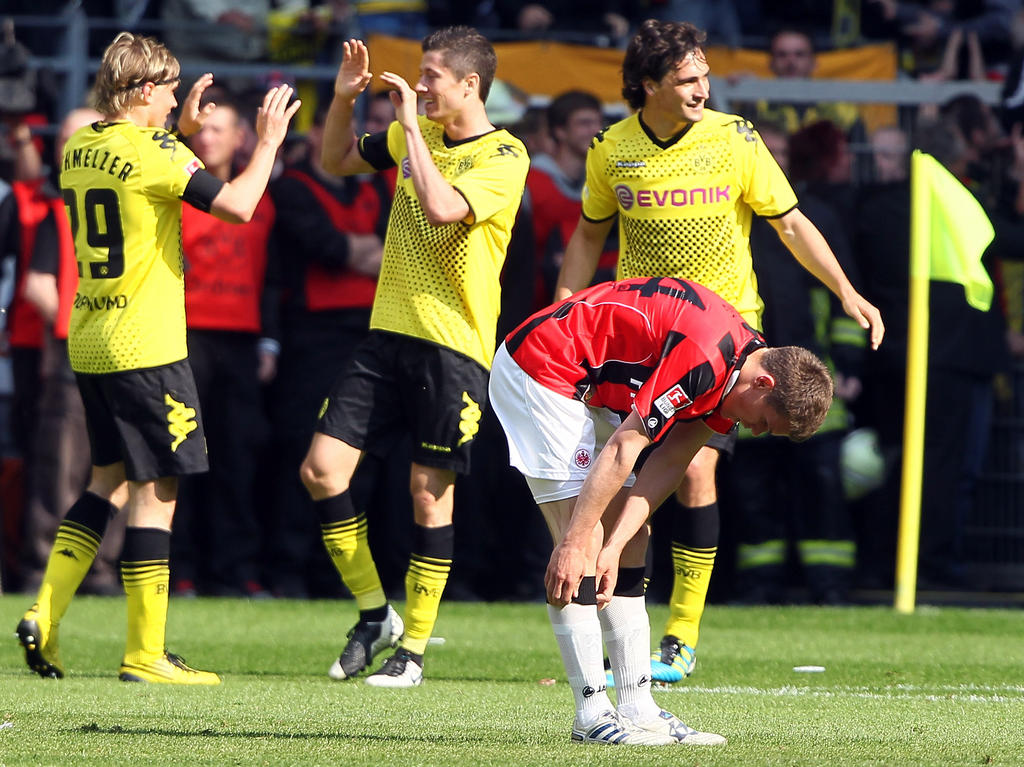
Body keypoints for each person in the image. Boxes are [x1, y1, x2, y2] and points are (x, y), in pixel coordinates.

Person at [555, 19, 883, 684]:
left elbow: (789, 222)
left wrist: (846, 290)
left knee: (694, 471)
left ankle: (681, 638)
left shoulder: (735, 138)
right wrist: (566, 311)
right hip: (643, 338)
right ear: (647, 86)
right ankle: (627, 632)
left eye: (705, 76)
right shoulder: (611, 149)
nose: (703, 89)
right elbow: (590, 237)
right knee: (626, 485)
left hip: (725, 341)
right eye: (687, 79)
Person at [15, 31, 299, 684]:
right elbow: (238, 204)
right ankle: (145, 653)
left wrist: (180, 129)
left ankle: (44, 613)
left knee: (105, 481)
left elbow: (141, 163)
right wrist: (269, 141)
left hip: (89, 338)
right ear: (144, 90)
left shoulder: (80, 146)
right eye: (171, 90)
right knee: (158, 489)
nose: (177, 102)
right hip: (148, 344)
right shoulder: (158, 150)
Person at [489, 276, 833, 744]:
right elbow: (624, 449)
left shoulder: (738, 367)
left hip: (587, 383)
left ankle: (638, 708)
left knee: (631, 538)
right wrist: (577, 542)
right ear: (765, 382)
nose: (755, 431)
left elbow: (672, 459)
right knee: (580, 538)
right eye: (766, 422)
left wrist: (613, 546)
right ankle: (591, 715)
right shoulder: (706, 359)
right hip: (542, 367)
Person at [303, 27, 528, 687]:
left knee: (429, 497)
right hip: (386, 333)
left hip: (454, 346)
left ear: (469, 85)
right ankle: (376, 615)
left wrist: (407, 125)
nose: (421, 86)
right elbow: (336, 160)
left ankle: (415, 650)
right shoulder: (415, 134)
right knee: (321, 469)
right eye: (420, 76)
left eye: (432, 76)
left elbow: (441, 206)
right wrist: (344, 99)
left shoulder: (506, 154)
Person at [264, 102, 390, 599]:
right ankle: (288, 571)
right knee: (303, 450)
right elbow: (329, 248)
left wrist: (358, 251)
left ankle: (339, 574)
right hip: (311, 336)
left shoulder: (374, 186)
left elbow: (380, 249)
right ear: (317, 132)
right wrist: (360, 251)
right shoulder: (292, 187)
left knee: (360, 459)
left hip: (368, 333)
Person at [19, 106, 128, 598]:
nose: (69, 148)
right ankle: (47, 564)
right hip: (74, 350)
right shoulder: (58, 211)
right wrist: (78, 317)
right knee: (61, 464)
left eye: (80, 137)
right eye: (64, 138)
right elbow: (38, 284)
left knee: (114, 467)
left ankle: (101, 568)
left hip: (124, 348)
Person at [171, 94, 277, 598]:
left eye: (220, 129)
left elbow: (273, 278)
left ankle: (236, 569)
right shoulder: (171, 188)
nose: (208, 137)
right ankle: (182, 568)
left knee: (237, 457)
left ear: (241, 138)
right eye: (202, 129)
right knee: (185, 458)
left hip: (241, 340)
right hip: (183, 337)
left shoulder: (261, 196)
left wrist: (270, 343)